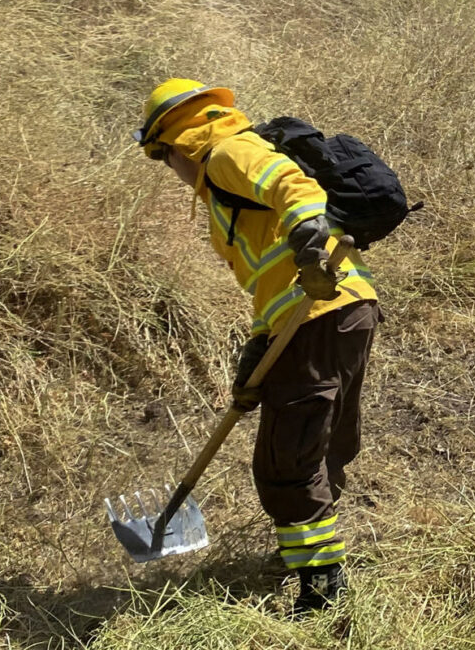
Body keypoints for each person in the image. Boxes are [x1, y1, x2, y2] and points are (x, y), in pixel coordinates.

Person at [134, 79, 379, 613]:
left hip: (318, 312)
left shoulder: (227, 151)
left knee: (284, 464)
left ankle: (323, 588)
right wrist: (256, 358)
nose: (170, 171)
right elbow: (272, 279)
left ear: (174, 144)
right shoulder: (225, 173)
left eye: (162, 158)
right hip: (336, 313)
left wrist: (311, 244)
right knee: (320, 443)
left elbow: (296, 189)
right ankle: (306, 545)